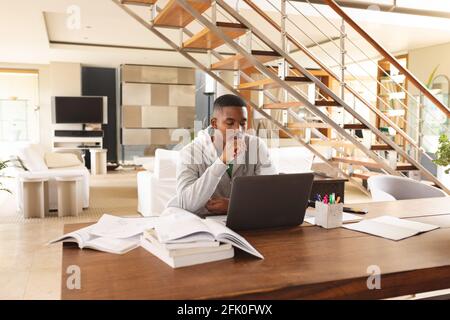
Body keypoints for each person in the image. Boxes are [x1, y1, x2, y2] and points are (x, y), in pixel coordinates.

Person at [166, 94, 277, 217]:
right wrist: (222, 161)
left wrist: (233, 205)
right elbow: (186, 203)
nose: (238, 129)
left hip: (247, 219)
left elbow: (271, 195)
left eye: (242, 123)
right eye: (230, 123)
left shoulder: (256, 146)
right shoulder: (190, 152)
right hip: (204, 224)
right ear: (214, 123)